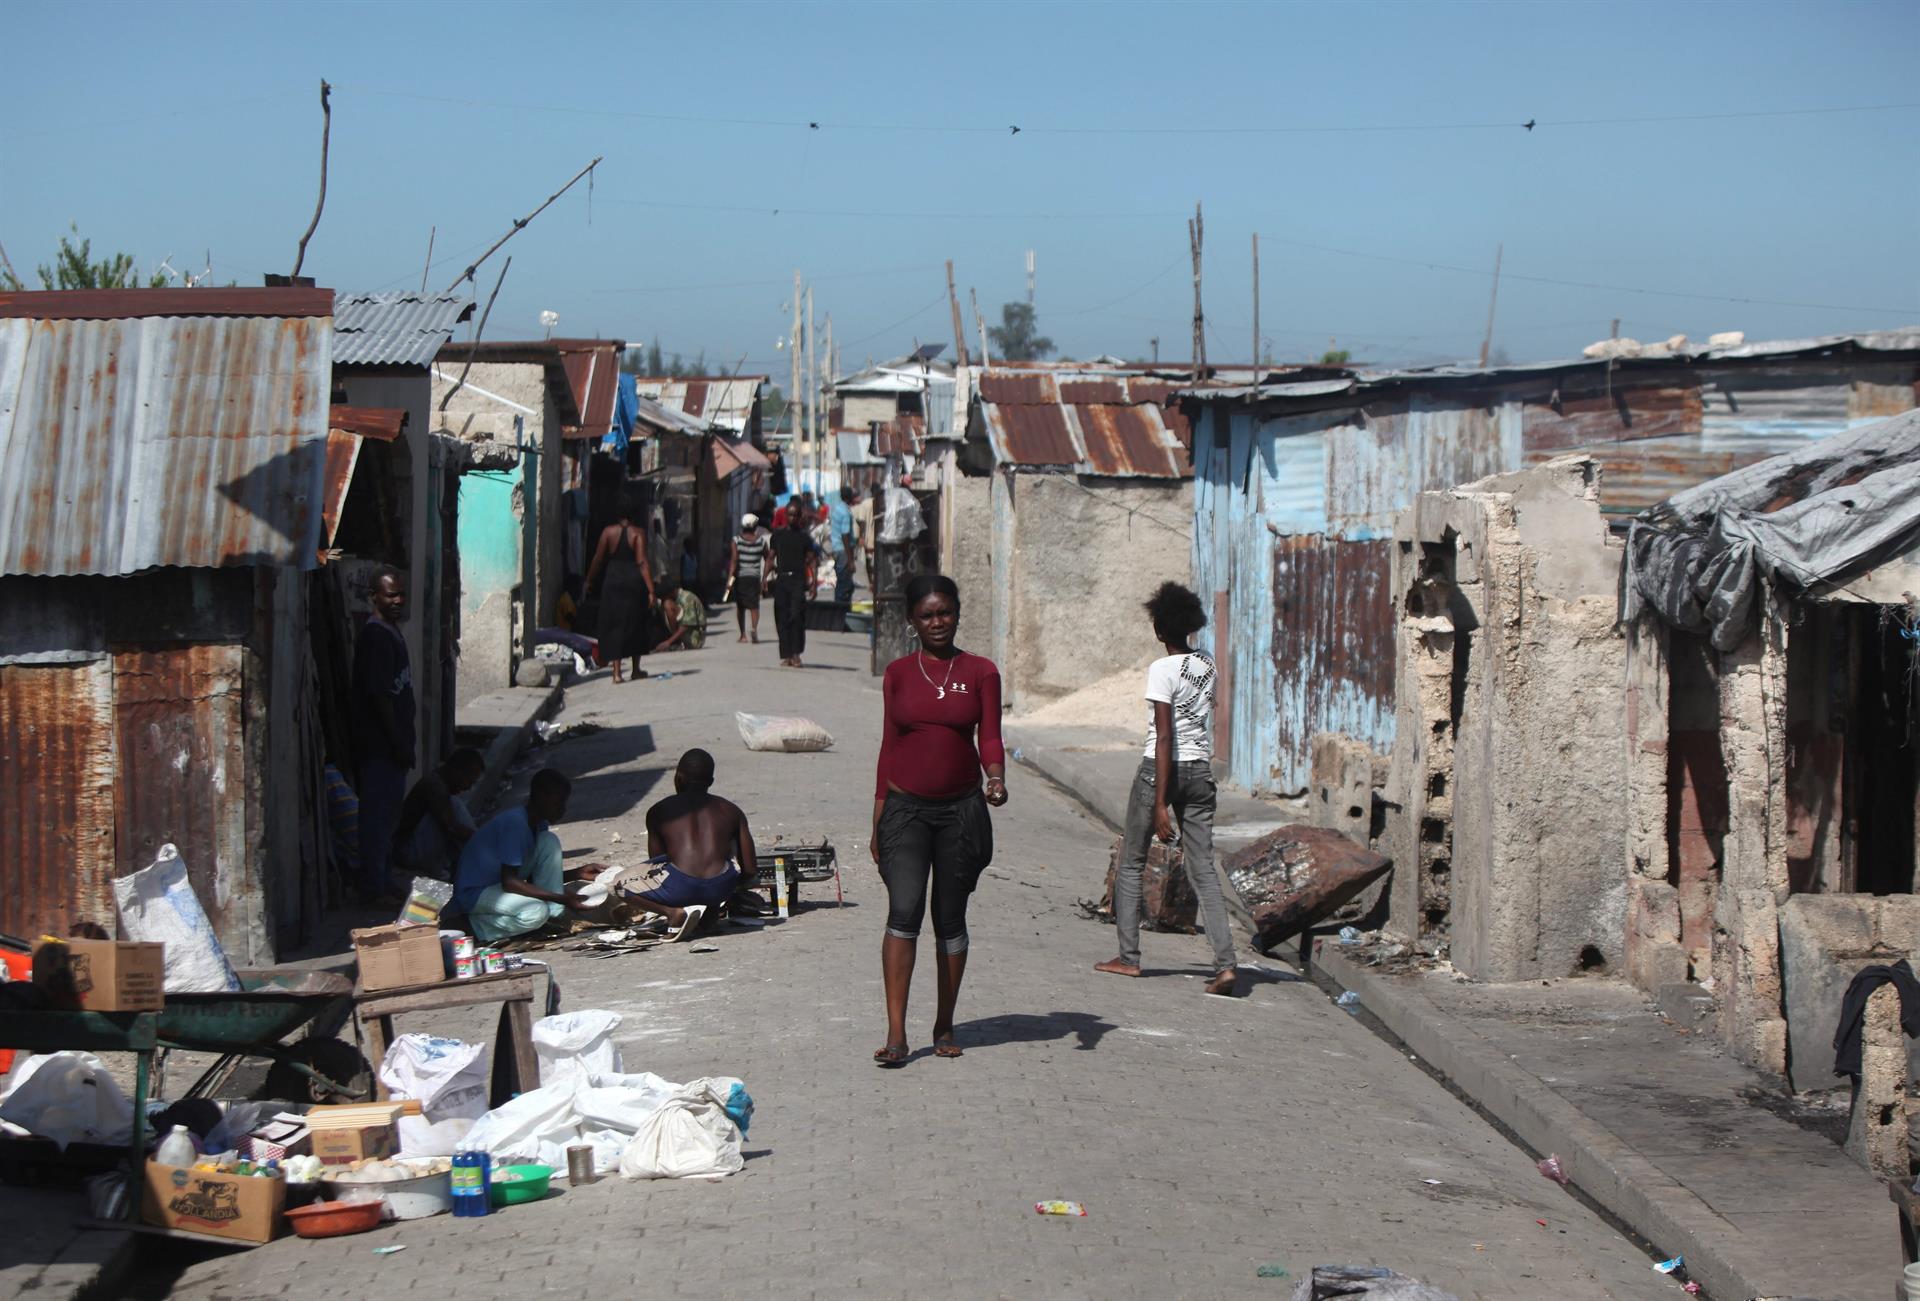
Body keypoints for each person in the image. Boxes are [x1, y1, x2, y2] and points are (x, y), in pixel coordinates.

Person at [870, 575, 1007, 1066]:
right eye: (927, 615)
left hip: (961, 812)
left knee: (950, 920)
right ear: (911, 621)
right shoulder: (898, 674)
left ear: (957, 613)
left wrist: (995, 777)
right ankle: (896, 1034)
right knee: (903, 912)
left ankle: (945, 1023)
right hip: (905, 810)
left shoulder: (981, 672)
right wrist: (878, 816)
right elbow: (889, 746)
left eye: (944, 612)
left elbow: (989, 736)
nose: (937, 622)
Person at [1095, 583, 1237, 997]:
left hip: (1162, 771)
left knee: (1133, 861)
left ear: (1160, 629)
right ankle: (1226, 964)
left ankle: (1128, 958)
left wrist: (1160, 802)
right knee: (1203, 869)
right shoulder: (1207, 664)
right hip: (1200, 772)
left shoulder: (1162, 670)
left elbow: (1163, 737)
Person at [613, 749, 758, 942]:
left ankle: (671, 913)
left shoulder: (659, 810)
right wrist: (730, 889)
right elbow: (749, 869)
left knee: (617, 886)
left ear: (679, 778)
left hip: (679, 889)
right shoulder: (731, 810)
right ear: (711, 781)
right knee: (726, 859)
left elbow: (656, 861)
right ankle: (711, 911)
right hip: (721, 888)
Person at [453, 768, 596, 942]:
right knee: (535, 912)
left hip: (500, 885)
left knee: (549, 840)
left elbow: (533, 879)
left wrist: (577, 873)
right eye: (558, 803)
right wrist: (562, 898)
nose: (562, 810)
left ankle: (551, 917)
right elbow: (510, 882)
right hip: (476, 892)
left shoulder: (538, 825)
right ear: (541, 796)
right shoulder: (516, 824)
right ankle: (473, 926)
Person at [351, 567, 415, 904]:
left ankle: (384, 879)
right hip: (380, 747)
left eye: (400, 594)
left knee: (388, 818)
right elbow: (379, 698)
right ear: (374, 596)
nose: (398, 601)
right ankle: (373, 888)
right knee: (376, 820)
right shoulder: (376, 636)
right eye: (390, 595)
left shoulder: (391, 631)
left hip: (392, 747)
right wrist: (398, 743)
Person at [585, 498, 657, 684]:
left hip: (613, 581)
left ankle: (616, 673)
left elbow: (598, 559)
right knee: (635, 624)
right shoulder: (638, 533)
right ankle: (635, 670)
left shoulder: (608, 532)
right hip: (633, 582)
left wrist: (589, 580)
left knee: (614, 625)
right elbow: (641, 562)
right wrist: (651, 590)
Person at [393, 748, 485, 880]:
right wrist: (483, 838)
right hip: (406, 851)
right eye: (469, 781)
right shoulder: (434, 785)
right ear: (457, 770)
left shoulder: (439, 784)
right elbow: (453, 827)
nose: (468, 787)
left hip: (413, 850)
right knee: (455, 806)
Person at [768, 506, 820, 668]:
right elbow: (770, 558)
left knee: (797, 617)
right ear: (785, 516)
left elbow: (811, 560)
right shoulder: (777, 536)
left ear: (799, 517)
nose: (792, 518)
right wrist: (764, 578)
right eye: (789, 515)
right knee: (781, 618)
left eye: (795, 515)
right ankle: (787, 654)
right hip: (782, 580)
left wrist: (814, 585)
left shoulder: (804, 538)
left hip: (798, 581)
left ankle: (796, 654)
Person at [729, 512, 769, 644]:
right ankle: (754, 629)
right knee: (754, 605)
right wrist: (764, 579)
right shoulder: (761, 541)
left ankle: (743, 635)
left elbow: (734, 560)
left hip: (741, 578)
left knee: (741, 606)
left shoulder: (736, 540)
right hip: (754, 578)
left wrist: (729, 580)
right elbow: (768, 558)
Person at [653, 573, 707, 652]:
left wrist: (668, 642)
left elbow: (686, 625)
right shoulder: (676, 598)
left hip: (693, 638)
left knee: (667, 605)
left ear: (670, 592)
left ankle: (676, 642)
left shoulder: (687, 598)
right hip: (683, 635)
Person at [829, 486, 858, 604]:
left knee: (842, 582)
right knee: (845, 585)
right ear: (849, 497)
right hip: (843, 551)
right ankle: (842, 612)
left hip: (837, 548)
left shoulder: (837, 509)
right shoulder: (846, 512)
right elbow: (845, 535)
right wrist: (850, 560)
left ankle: (839, 609)